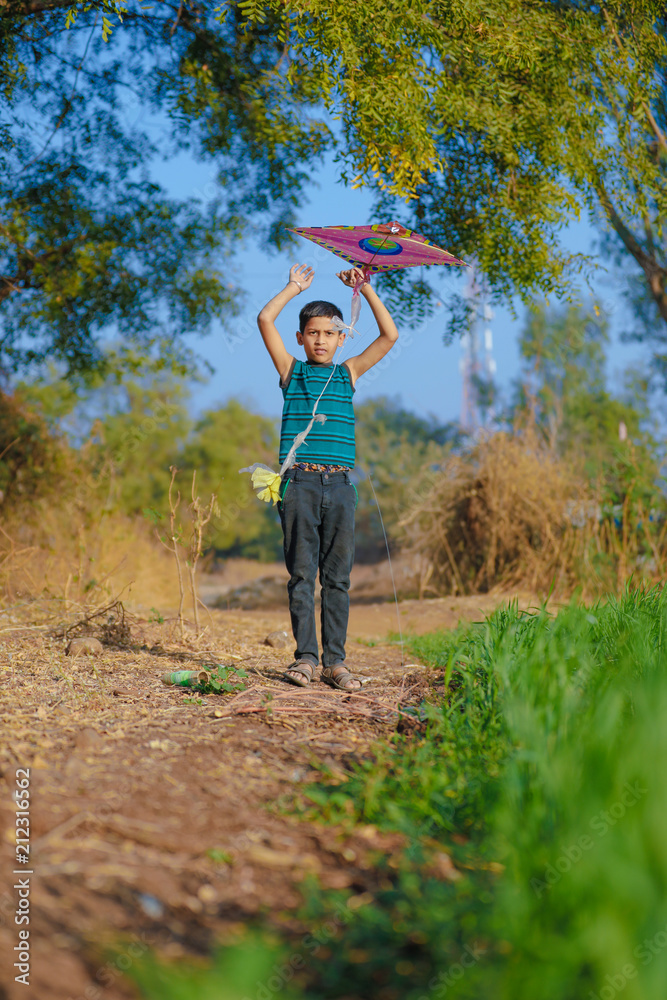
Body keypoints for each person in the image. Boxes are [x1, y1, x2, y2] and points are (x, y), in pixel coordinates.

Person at [257, 262, 399, 690]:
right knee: (302, 575)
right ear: (301, 338)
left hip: (339, 487)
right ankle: (305, 659)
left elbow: (390, 336)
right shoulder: (291, 372)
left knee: (337, 578)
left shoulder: (348, 373)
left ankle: (336, 662)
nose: (321, 340)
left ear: (342, 338)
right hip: (298, 484)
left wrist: (366, 289)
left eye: (330, 333)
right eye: (313, 333)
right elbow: (265, 319)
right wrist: (292, 288)